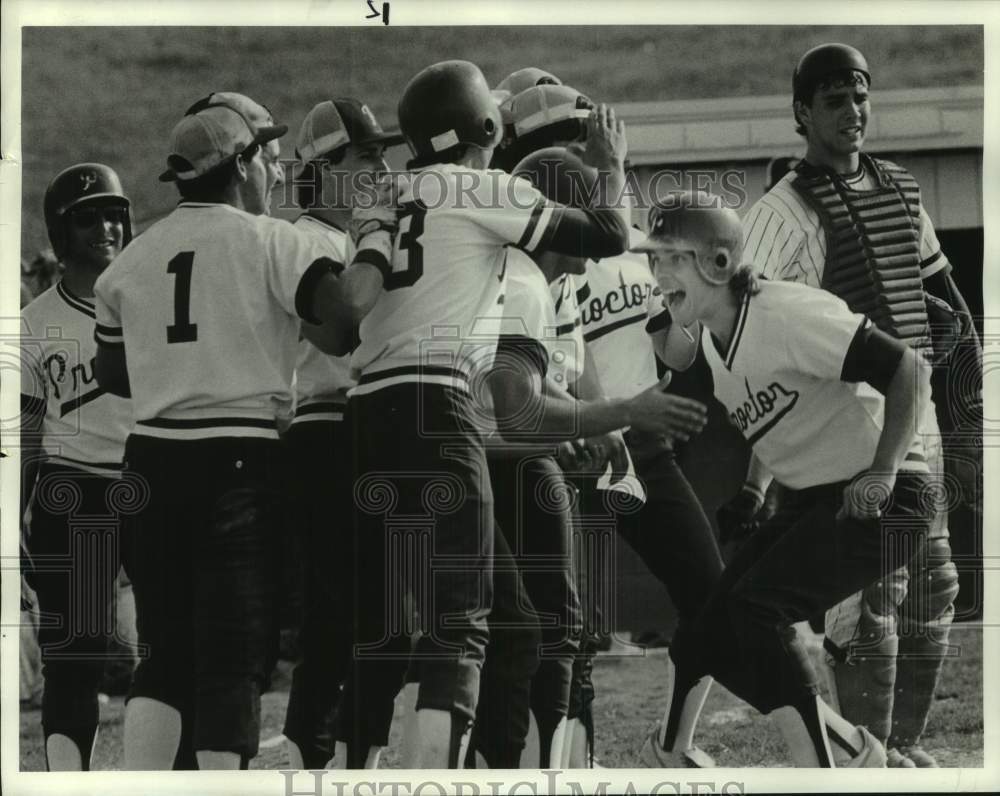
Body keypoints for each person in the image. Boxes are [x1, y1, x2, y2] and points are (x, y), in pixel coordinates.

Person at [326, 58, 701, 770]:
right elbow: (608, 235)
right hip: (433, 404)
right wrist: (610, 169)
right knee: (467, 629)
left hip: (365, 411)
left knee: (405, 629)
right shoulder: (486, 194)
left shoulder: (389, 194)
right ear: (489, 128)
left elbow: (358, 302)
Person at [93, 91, 356, 770]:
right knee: (234, 655)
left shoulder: (132, 259)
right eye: (262, 157)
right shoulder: (272, 239)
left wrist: (186, 359)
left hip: (149, 460)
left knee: (163, 652)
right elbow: (342, 324)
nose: (272, 169)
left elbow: (114, 372)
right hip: (238, 460)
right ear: (241, 166)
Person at [634, 190, 936, 767]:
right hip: (814, 497)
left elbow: (909, 369)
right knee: (705, 625)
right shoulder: (717, 343)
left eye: (672, 257)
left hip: (886, 498)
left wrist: (884, 470)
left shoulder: (784, 311)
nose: (658, 272)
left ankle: (835, 765)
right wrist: (753, 489)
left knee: (753, 613)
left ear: (719, 264)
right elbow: (787, 415)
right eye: (655, 259)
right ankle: (674, 752)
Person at [740, 42, 977, 767]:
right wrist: (761, 471)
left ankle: (900, 750)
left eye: (860, 95)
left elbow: (941, 299)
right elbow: (745, 331)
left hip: (916, 416)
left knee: (932, 588)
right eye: (834, 99)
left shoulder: (901, 188)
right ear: (802, 114)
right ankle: (862, 757)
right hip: (842, 422)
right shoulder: (778, 212)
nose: (853, 110)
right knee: (873, 594)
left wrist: (967, 369)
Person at [281, 97, 404, 770]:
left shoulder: (351, 235)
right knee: (342, 614)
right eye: (367, 154)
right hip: (326, 426)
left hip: (359, 423)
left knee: (380, 613)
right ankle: (317, 758)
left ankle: (355, 758)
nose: (382, 165)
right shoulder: (307, 240)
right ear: (324, 169)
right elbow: (343, 334)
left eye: (383, 152)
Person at [20, 162, 135, 770]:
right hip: (76, 490)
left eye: (114, 212)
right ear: (60, 233)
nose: (106, 225)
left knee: (170, 648)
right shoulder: (35, 323)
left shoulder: (149, 298)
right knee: (77, 655)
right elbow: (25, 440)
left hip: (153, 478)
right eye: (87, 217)